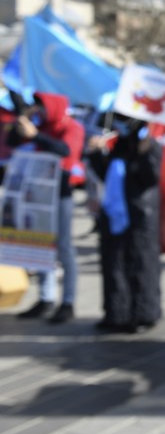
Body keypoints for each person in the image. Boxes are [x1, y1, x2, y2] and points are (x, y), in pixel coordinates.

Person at [86, 114, 163, 333]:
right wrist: (95, 154)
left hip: (139, 216)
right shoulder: (119, 145)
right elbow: (108, 175)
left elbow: (150, 177)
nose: (119, 126)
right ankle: (116, 313)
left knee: (140, 264)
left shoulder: (150, 145)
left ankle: (142, 314)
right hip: (114, 214)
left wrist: (144, 153)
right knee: (114, 264)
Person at [13, 92, 85, 324]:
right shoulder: (40, 127)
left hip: (61, 194)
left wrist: (36, 135)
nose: (40, 111)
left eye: (42, 107)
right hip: (38, 193)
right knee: (41, 245)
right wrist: (23, 120)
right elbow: (12, 142)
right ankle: (46, 298)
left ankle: (68, 302)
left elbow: (65, 150)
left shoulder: (72, 127)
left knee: (64, 247)